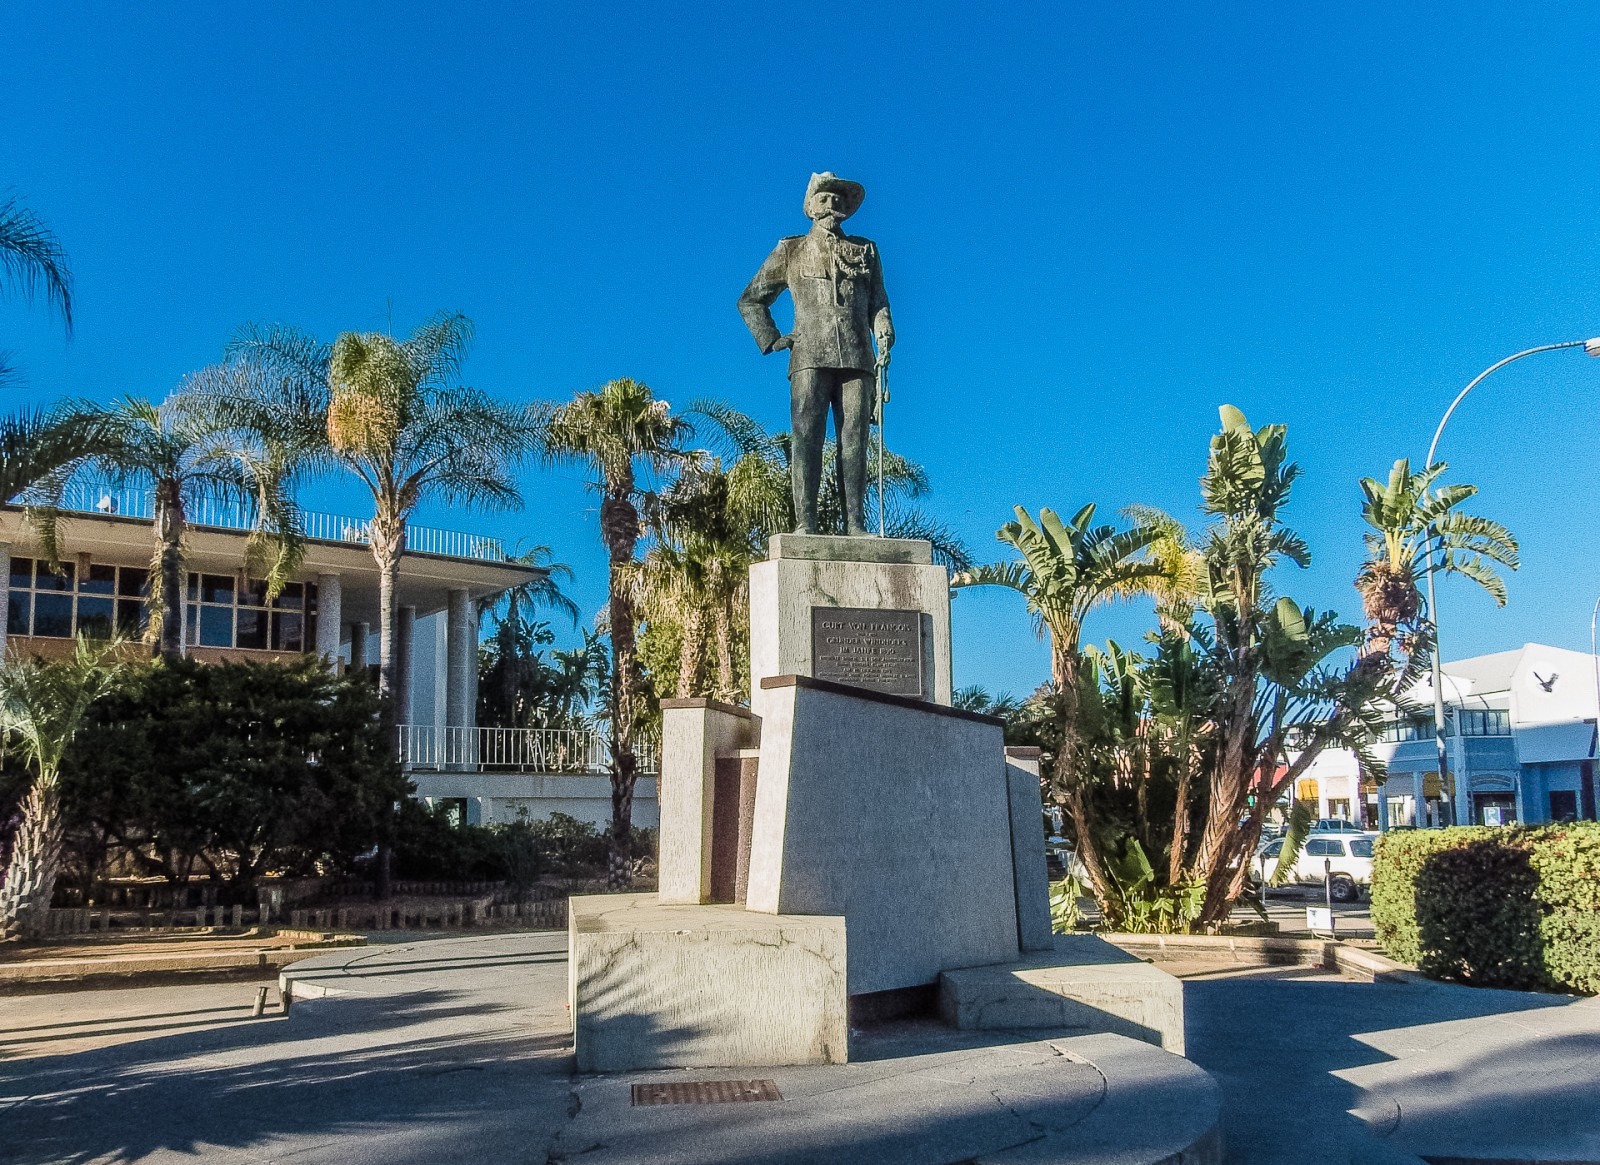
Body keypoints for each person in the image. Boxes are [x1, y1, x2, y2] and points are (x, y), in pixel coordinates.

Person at [738, 172, 894, 535]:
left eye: (838, 199)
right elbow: (750, 299)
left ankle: (855, 524)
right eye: (824, 199)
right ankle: (804, 523)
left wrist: (884, 325)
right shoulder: (790, 250)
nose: (832, 205)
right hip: (808, 355)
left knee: (855, 441)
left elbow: (878, 301)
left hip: (858, 357)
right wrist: (772, 338)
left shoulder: (865, 251)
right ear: (810, 207)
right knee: (807, 438)